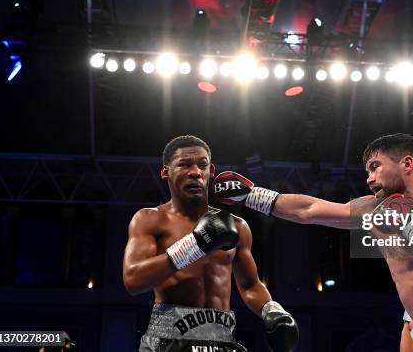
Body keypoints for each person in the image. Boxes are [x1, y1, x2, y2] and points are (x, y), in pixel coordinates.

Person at [212, 133, 413, 352]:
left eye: (375, 166)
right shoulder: (374, 211)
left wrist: (412, 223)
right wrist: (252, 196)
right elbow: (309, 210)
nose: (369, 178)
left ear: (407, 163)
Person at [122, 135, 298, 352]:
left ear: (211, 171)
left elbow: (250, 285)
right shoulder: (150, 219)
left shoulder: (236, 225)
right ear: (166, 171)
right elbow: (133, 280)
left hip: (222, 339)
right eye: (185, 165)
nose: (195, 172)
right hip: (168, 339)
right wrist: (195, 244)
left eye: (202, 165)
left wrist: (272, 310)